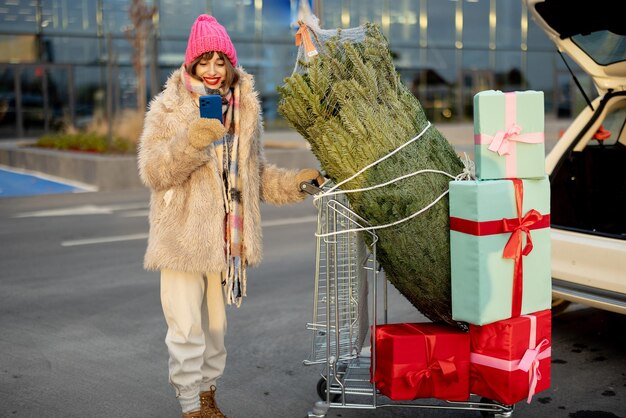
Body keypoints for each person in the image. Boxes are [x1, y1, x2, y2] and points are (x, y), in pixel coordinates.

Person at [137, 14, 323, 418]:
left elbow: (253, 175)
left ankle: (208, 398)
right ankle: (190, 406)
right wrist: (193, 139)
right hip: (183, 238)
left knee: (216, 333)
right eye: (204, 61)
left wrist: (295, 184)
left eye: (221, 61)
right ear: (190, 63)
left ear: (231, 64)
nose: (213, 70)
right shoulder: (168, 107)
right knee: (185, 329)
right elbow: (153, 172)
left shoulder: (244, 110)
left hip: (225, 241)